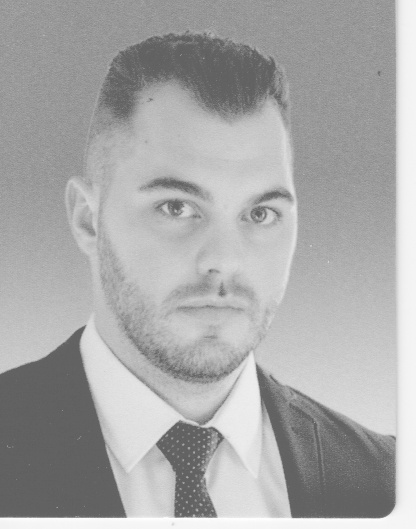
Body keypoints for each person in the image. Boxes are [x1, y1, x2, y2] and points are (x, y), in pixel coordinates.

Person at [0, 32, 394, 518]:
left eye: (261, 214)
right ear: (87, 220)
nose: (224, 260)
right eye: (177, 207)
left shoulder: (387, 483)